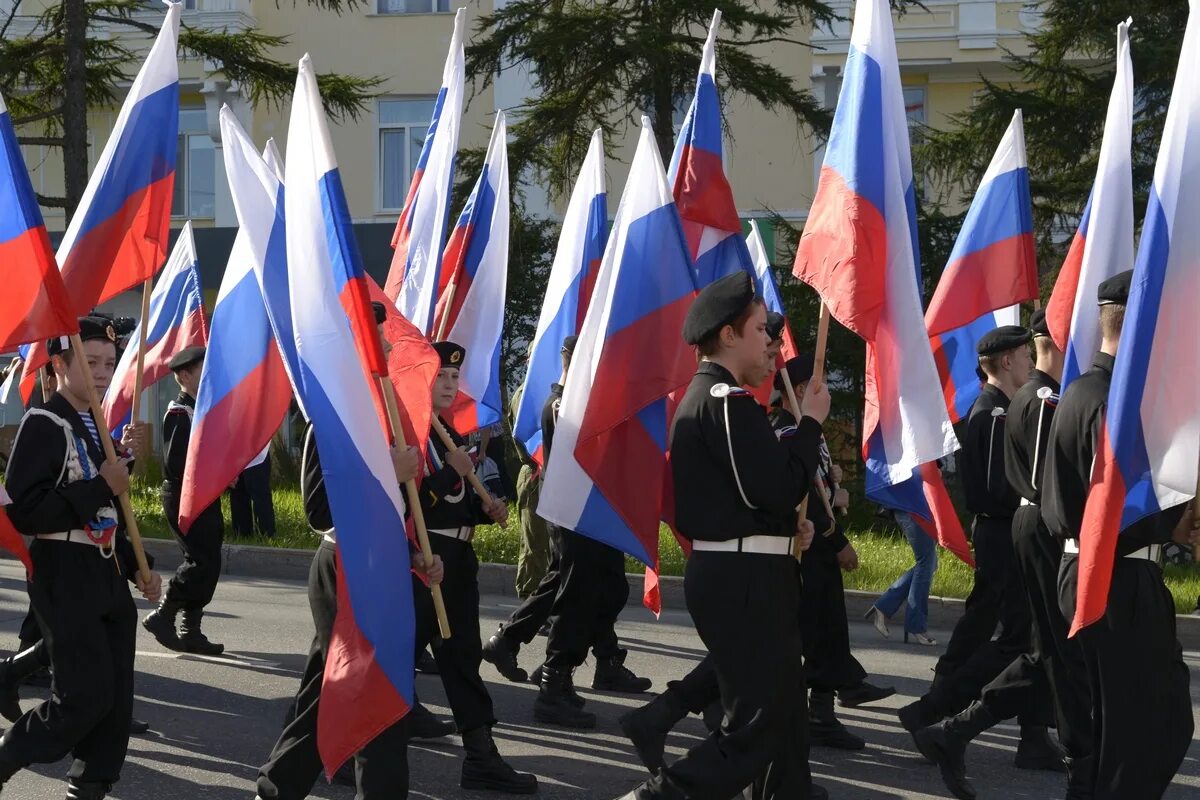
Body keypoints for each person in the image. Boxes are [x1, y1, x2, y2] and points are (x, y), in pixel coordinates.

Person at [616, 270, 829, 800]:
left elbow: (747, 499)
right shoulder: (724, 399)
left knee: (782, 716)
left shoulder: (721, 399)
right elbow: (773, 487)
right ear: (729, 335)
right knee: (758, 725)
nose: (770, 342)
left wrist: (784, 529)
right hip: (742, 576)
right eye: (760, 330)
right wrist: (811, 427)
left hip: (751, 566)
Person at [1042, 270, 1195, 800]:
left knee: (1116, 730)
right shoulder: (1114, 401)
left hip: (1086, 569)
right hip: (1118, 575)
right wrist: (1173, 522)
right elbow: (1112, 505)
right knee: (1149, 732)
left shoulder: (1079, 391)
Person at [916, 309, 1080, 798]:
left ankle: (1026, 733)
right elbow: (992, 487)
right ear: (1007, 360)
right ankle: (937, 711)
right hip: (1003, 533)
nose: (1032, 361)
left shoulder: (1006, 407)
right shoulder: (991, 413)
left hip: (1011, 533)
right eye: (1026, 355)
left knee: (1019, 637)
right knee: (1017, 641)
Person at [0, 317, 163, 800]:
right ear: (59, 364)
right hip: (63, 574)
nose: (101, 372)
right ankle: (8, 754)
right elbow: (25, 513)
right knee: (82, 698)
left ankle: (91, 784)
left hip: (105, 572)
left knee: (115, 705)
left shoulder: (96, 427)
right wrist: (101, 484)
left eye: (109, 363)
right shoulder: (43, 423)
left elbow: (112, 511)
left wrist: (139, 566)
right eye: (89, 362)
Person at [254, 419, 443, 800]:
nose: (388, 356)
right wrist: (387, 473)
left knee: (327, 690)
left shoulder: (389, 414)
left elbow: (387, 515)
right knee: (374, 690)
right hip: (344, 565)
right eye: (381, 353)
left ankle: (277, 787)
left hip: (383, 563)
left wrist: (413, 556)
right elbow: (319, 512)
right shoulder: (330, 416)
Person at [483, 336, 651, 710]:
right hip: (578, 509)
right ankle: (555, 675)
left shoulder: (579, 399)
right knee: (581, 591)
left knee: (591, 585)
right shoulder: (565, 403)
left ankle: (521, 643)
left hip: (592, 508)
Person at [414, 340, 537, 794]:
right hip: (426, 565)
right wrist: (450, 470)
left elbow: (451, 506)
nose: (449, 385)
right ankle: (339, 746)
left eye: (452, 378)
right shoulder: (414, 433)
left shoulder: (448, 432)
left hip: (458, 563)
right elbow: (414, 505)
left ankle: (481, 757)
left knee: (462, 658)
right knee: (380, 662)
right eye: (440, 377)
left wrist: (483, 511)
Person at [769, 355, 895, 751]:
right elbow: (800, 490)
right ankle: (821, 709)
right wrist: (836, 537)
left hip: (816, 540)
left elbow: (818, 483)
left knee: (827, 625)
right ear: (801, 389)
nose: (827, 393)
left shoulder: (807, 430)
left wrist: (834, 484)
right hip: (808, 545)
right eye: (819, 385)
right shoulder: (787, 431)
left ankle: (840, 689)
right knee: (817, 629)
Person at [142, 346, 226, 655]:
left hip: (203, 493)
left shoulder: (200, 408)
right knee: (200, 560)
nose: (208, 377)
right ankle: (164, 614)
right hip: (184, 495)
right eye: (202, 371)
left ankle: (191, 630)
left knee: (209, 560)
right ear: (184, 375)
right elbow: (177, 463)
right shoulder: (180, 412)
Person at [866, 509, 938, 645]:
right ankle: (916, 625)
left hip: (919, 507)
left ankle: (883, 606)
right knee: (926, 563)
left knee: (929, 564)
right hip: (912, 507)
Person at [230, 445, 277, 538]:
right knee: (238, 490)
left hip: (253, 445)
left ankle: (265, 533)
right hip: (241, 445)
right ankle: (243, 533)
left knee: (258, 492)